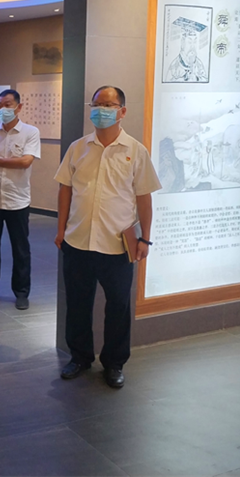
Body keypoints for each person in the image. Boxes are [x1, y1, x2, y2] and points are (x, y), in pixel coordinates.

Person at [55, 85, 161, 388]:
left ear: (122, 111)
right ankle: (79, 357)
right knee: (77, 303)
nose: (100, 110)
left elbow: (144, 198)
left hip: (117, 245)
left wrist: (145, 239)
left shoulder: (136, 151)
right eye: (96, 105)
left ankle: (114, 363)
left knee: (118, 306)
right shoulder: (78, 147)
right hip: (78, 241)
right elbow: (65, 189)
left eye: (108, 105)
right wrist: (61, 230)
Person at [0, 89, 41, 310]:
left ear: (19, 107)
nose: (3, 109)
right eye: (0, 105)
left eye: (8, 105)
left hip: (17, 200)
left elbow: (25, 161)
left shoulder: (30, 132)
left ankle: (21, 292)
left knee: (20, 249)